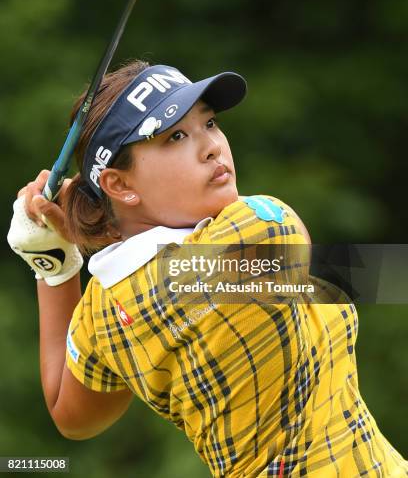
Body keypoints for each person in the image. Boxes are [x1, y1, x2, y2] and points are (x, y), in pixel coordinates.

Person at [8, 60, 408, 477]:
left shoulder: (104, 311)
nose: (212, 146)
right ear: (120, 185)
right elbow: (366, 275)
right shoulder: (260, 226)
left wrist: (54, 267)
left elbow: (70, 416)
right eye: (176, 135)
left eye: (210, 123)